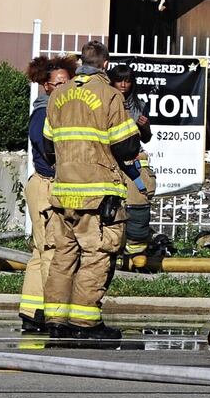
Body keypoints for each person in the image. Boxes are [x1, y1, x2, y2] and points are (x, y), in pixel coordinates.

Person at [41, 62, 141, 341]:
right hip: (97, 196)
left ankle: (56, 319)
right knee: (96, 256)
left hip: (62, 194)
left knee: (63, 257)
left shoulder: (58, 95)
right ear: (105, 66)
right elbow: (126, 146)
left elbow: (48, 146)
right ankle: (85, 322)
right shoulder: (109, 95)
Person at [18, 55, 75, 333]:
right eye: (60, 83)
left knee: (40, 252)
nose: (66, 88)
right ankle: (54, 316)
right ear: (46, 86)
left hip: (49, 185)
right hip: (46, 186)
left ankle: (32, 311)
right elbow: (48, 150)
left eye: (68, 82)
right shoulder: (43, 112)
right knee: (51, 249)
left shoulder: (57, 109)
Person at [106, 64, 157, 262]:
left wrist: (145, 127)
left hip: (133, 162)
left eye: (127, 81)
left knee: (137, 204)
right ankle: (113, 251)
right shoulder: (105, 103)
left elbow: (146, 138)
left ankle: (135, 254)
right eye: (119, 80)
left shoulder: (139, 105)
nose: (123, 85)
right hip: (110, 162)